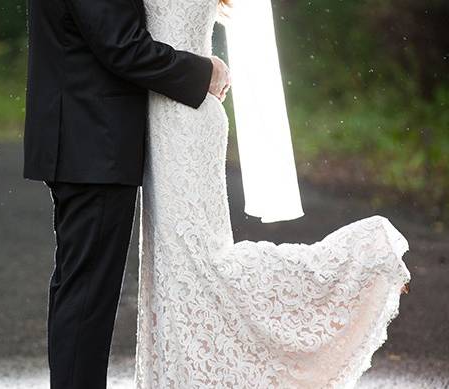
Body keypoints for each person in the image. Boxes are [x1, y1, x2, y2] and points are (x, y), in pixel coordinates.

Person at [134, 0, 411, 388]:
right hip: (176, 113)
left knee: (199, 265)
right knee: (180, 267)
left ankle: (363, 258)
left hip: (182, 118)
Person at [22, 0, 231, 388]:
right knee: (86, 296)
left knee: (79, 288)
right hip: (92, 142)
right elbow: (122, 45)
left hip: (80, 137)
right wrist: (202, 72)